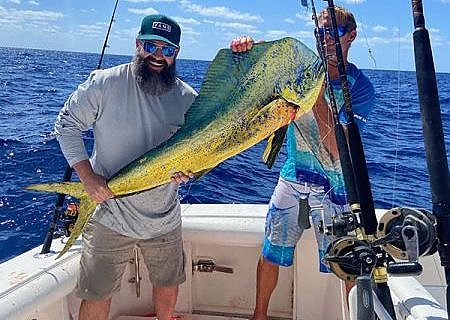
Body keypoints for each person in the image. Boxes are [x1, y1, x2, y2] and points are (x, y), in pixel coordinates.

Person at [230, 6, 375, 320]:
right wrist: (246, 55)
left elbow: (337, 150)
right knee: (270, 253)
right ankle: (259, 316)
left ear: (351, 36)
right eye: (319, 32)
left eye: (333, 32)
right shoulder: (302, 75)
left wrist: (317, 87)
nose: (324, 40)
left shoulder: (361, 89)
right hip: (294, 177)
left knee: (346, 263)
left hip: (337, 190)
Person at [55, 14, 197, 320]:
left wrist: (193, 171)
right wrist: (88, 179)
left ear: (177, 54)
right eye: (151, 46)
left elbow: (202, 154)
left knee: (169, 286)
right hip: (109, 215)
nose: (158, 55)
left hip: (164, 218)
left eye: (167, 50)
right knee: (96, 294)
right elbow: (66, 125)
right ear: (137, 44)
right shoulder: (105, 83)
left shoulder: (189, 100)